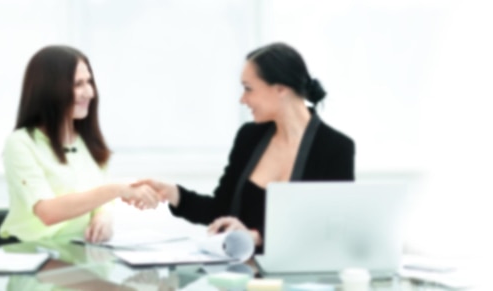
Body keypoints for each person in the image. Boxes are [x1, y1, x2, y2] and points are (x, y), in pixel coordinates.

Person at [134, 42, 354, 252]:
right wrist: (175, 194)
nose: (242, 99)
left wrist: (257, 237)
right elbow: (222, 211)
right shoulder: (249, 137)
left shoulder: (336, 148)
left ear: (280, 89)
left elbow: (331, 231)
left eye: (248, 89)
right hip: (243, 275)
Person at [0, 45, 163, 243]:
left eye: (89, 82)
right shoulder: (20, 144)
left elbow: (101, 201)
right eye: (78, 84)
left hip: (83, 252)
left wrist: (104, 217)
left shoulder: (87, 141)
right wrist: (117, 190)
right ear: (50, 90)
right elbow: (47, 212)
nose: (89, 93)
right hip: (36, 255)